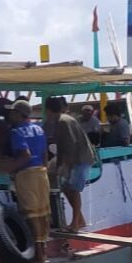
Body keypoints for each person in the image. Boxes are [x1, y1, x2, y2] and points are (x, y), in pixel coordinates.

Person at [0, 99, 50, 263]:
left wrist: (5, 169)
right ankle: (44, 250)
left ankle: (39, 254)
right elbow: (44, 155)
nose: (10, 115)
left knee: (30, 213)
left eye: (12, 112)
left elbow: (25, 156)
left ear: (19, 114)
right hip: (41, 172)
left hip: (27, 175)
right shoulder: (39, 129)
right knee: (43, 212)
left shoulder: (16, 132)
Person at [45, 97, 95, 232]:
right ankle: (80, 220)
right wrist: (59, 165)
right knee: (66, 188)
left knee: (73, 189)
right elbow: (61, 147)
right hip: (76, 159)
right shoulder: (61, 121)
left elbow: (70, 145)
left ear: (49, 110)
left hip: (80, 159)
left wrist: (65, 167)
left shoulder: (63, 122)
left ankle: (75, 224)